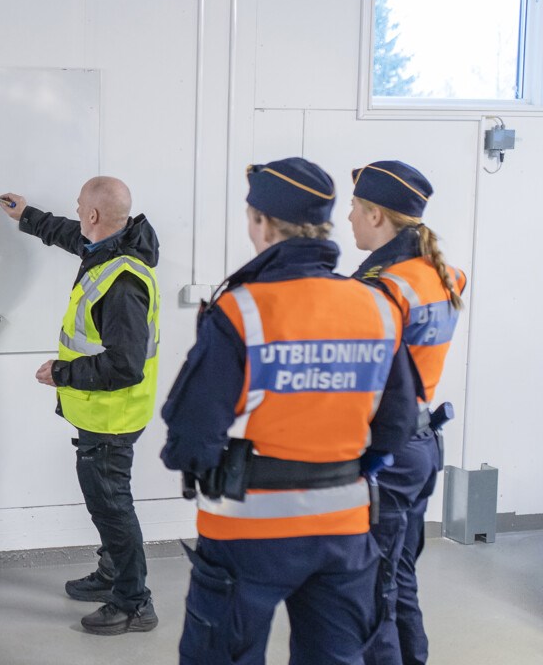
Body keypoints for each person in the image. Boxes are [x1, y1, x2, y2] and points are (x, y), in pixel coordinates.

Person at [160, 157, 419, 665]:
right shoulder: (376, 306)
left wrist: (201, 465)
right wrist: (344, 472)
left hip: (244, 530)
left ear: (259, 222)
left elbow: (192, 434)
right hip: (344, 529)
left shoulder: (242, 309)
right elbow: (396, 426)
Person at [0, 178, 160, 636]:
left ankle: (133, 603)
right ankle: (113, 575)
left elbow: (125, 366)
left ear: (94, 216)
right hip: (106, 412)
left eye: (79, 208)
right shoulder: (113, 247)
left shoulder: (122, 283)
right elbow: (75, 236)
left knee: (111, 507)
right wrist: (28, 217)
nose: (76, 214)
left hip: (112, 416)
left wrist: (61, 372)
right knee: (109, 504)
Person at [348, 161, 466, 665]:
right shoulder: (442, 273)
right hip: (421, 447)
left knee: (374, 591)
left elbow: (364, 379)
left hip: (387, 455)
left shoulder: (385, 286)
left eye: (354, 208)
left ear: (376, 214)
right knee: (397, 581)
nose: (348, 218)